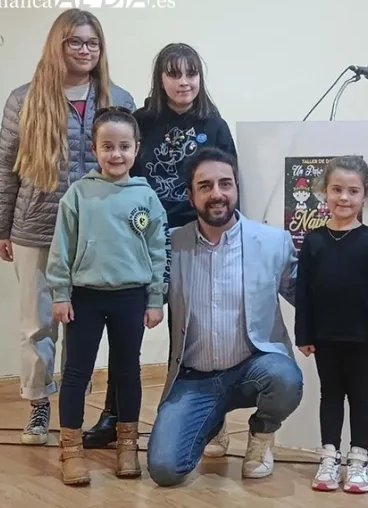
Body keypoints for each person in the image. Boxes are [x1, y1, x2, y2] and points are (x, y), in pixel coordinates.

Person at [0, 8, 135, 445]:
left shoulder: (118, 99)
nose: (85, 50)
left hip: (96, 233)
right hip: (36, 226)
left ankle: (74, 409)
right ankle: (38, 405)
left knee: (82, 327)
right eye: (76, 41)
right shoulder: (24, 99)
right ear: (58, 44)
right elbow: (6, 166)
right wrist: (1, 227)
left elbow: (129, 169)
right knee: (36, 325)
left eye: (93, 42)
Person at [83, 42, 238, 452]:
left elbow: (228, 188)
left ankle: (206, 421)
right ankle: (115, 416)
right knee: (126, 333)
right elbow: (118, 180)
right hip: (139, 241)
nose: (184, 82)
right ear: (161, 78)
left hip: (195, 241)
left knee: (195, 336)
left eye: (191, 73)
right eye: (174, 74)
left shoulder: (215, 125)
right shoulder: (141, 121)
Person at [146, 147, 303, 487]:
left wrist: (361, 268)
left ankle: (262, 435)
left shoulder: (273, 242)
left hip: (252, 368)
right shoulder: (171, 245)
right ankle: (211, 421)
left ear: (236, 188)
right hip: (194, 377)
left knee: (286, 378)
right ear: (190, 196)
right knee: (164, 469)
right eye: (205, 186)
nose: (217, 193)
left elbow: (309, 294)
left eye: (225, 184)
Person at [46, 107, 170, 485]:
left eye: (124, 146)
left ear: (136, 149)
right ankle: (71, 450)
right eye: (108, 146)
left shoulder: (146, 197)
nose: (116, 154)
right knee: (76, 372)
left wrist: (154, 298)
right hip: (85, 297)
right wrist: (60, 293)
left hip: (130, 298)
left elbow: (158, 252)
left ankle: (127, 445)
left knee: (127, 371)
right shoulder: (78, 194)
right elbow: (61, 248)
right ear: (94, 149)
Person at [295, 155, 368, 493]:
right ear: (323, 191)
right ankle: (329, 457)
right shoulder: (313, 241)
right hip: (325, 336)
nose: (344, 197)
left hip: (363, 338)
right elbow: (303, 291)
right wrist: (303, 332)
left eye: (353, 191)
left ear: (365, 194)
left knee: (361, 395)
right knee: (330, 394)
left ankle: (358, 459)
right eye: (337, 189)